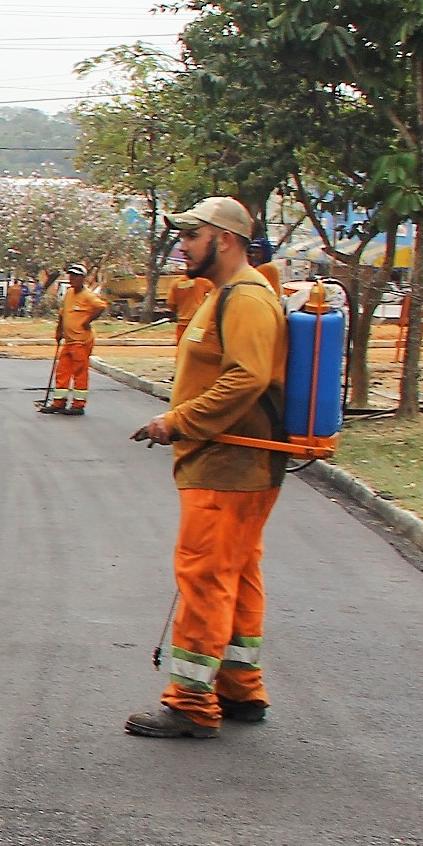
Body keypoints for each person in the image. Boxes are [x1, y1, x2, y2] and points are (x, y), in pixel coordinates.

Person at [126, 195, 287, 739]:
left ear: (225, 239)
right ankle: (239, 687)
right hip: (231, 463)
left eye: (192, 236)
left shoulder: (245, 298)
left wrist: (178, 422)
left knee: (204, 576)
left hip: (229, 463)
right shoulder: (227, 296)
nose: (183, 245)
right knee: (236, 574)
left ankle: (192, 703)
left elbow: (248, 377)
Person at [43, 262, 107, 415]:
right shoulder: (69, 293)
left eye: (75, 276)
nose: (72, 279)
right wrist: (59, 331)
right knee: (62, 371)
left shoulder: (87, 295)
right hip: (69, 341)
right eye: (70, 276)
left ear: (82, 279)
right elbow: (63, 314)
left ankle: (78, 405)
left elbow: (101, 307)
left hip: (81, 341)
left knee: (79, 372)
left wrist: (86, 321)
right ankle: (59, 402)